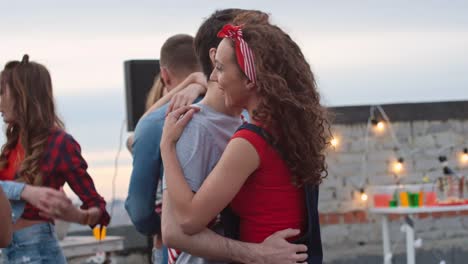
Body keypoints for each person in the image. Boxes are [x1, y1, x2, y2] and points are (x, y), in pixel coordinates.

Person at [161, 12, 330, 263]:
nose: (215, 78)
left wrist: (166, 147)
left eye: (220, 68)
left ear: (249, 79)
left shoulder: (249, 143)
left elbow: (187, 220)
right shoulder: (289, 131)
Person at [0, 55, 110, 263]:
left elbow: (98, 207)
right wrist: (26, 192)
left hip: (38, 252)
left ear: (21, 95)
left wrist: (78, 216)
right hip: (8, 253)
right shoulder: (11, 147)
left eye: (2, 92)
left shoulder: (60, 143)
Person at [125, 34, 206, 263]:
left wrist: (162, 226)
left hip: (174, 249)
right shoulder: (233, 113)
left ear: (164, 75)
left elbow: (139, 211)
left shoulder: (154, 124)